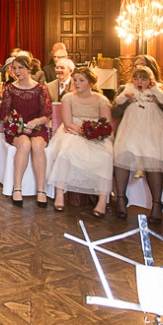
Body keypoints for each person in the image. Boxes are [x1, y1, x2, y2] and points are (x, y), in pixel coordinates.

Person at [112, 65, 163, 223]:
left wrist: (158, 97)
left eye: (143, 78)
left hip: (152, 130)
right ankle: (122, 200)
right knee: (121, 157)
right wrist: (125, 100)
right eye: (136, 77)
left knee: (153, 160)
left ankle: (157, 204)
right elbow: (114, 109)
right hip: (131, 128)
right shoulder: (127, 88)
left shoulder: (160, 89)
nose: (139, 81)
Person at [46, 67, 113, 216]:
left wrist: (93, 133)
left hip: (96, 133)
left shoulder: (101, 100)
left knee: (106, 155)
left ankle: (102, 200)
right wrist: (83, 131)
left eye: (81, 80)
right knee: (65, 152)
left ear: (90, 83)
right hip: (73, 130)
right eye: (75, 80)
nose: (77, 83)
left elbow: (106, 124)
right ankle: (59, 194)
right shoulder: (68, 98)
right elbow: (68, 123)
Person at [0, 54, 54, 208]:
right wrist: (17, 124)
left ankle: (41, 190)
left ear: (29, 69)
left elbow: (46, 114)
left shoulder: (40, 89)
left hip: (37, 127)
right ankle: (17, 188)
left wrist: (35, 122)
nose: (17, 71)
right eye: (14, 68)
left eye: (20, 68)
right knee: (24, 145)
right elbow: (4, 114)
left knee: (37, 145)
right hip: (16, 129)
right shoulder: (10, 89)